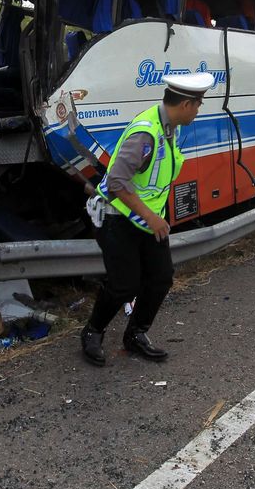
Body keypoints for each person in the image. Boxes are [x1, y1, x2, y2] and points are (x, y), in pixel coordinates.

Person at [80, 72, 215, 366]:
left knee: (161, 278)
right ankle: (92, 332)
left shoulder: (169, 128)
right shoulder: (146, 133)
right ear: (187, 104)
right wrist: (151, 217)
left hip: (146, 220)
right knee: (123, 285)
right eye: (199, 104)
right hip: (117, 218)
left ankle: (135, 334)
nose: (199, 110)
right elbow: (117, 182)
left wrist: (154, 217)